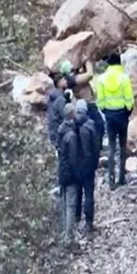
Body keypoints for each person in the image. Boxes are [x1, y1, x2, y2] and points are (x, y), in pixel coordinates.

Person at [95, 53, 134, 189]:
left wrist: (105, 111)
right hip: (122, 115)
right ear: (119, 63)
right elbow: (129, 98)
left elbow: (100, 101)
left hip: (110, 116)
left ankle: (111, 179)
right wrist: (128, 111)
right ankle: (122, 177)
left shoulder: (101, 79)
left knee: (111, 147)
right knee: (122, 146)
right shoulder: (124, 78)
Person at [57, 103, 83, 247]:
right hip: (70, 175)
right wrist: (78, 175)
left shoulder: (61, 130)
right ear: (72, 115)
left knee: (64, 204)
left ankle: (64, 234)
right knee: (71, 206)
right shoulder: (71, 136)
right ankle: (68, 238)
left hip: (62, 171)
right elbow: (73, 159)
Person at [74, 100, 100, 234]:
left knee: (77, 192)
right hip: (88, 166)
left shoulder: (72, 126)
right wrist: (95, 163)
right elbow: (96, 148)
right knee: (89, 193)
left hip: (76, 166)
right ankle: (89, 223)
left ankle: (76, 218)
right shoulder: (90, 126)